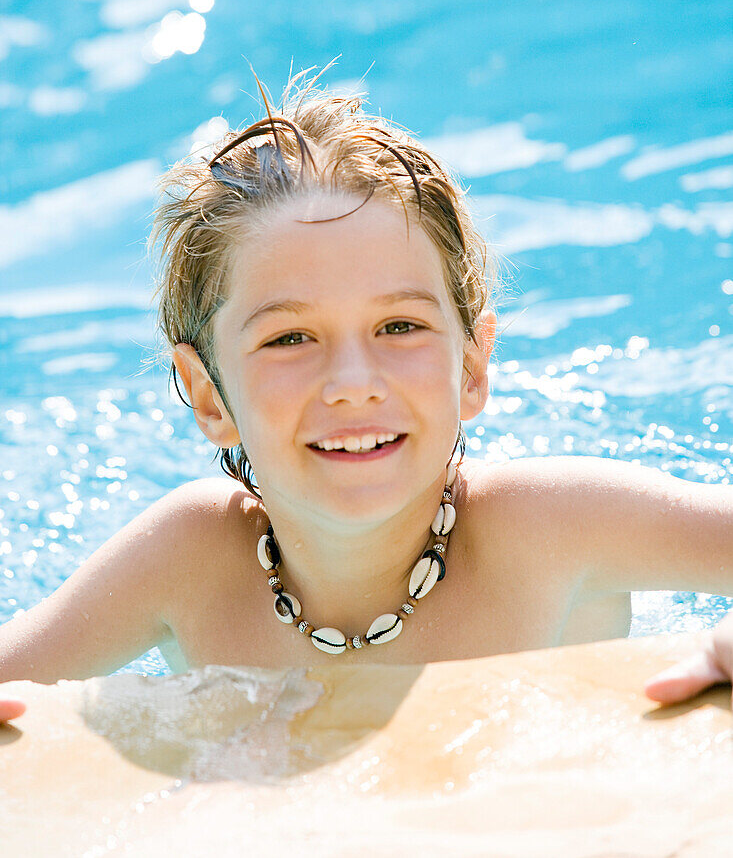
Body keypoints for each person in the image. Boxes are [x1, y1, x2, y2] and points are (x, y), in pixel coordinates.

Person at [0, 71, 731, 715]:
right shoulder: (187, 562)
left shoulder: (551, 530)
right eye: (289, 338)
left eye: (399, 325)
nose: (352, 384)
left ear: (472, 367)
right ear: (208, 396)